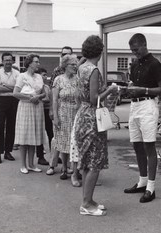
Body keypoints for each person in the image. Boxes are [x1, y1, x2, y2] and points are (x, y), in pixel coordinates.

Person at [74, 35, 118, 216]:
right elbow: (94, 99)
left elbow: (83, 96)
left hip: (82, 116)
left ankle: (88, 199)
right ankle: (86, 204)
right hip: (93, 118)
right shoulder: (93, 70)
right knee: (94, 162)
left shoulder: (80, 68)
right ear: (99, 51)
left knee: (86, 161)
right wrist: (111, 89)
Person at [124, 33, 161, 203]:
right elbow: (134, 85)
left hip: (148, 105)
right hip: (134, 106)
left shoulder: (155, 64)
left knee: (149, 146)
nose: (135, 53)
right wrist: (129, 89)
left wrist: (144, 90)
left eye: (136, 50)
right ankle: (142, 181)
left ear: (144, 45)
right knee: (136, 145)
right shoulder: (134, 64)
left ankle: (151, 187)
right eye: (132, 51)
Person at [13, 54, 46, 174]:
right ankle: (23, 165)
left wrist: (38, 96)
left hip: (37, 107)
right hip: (25, 107)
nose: (38, 64)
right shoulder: (22, 76)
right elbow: (15, 93)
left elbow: (44, 94)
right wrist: (29, 97)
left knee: (34, 136)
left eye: (38, 62)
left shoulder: (39, 77)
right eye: (36, 62)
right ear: (29, 63)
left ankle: (32, 164)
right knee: (25, 136)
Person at [50, 54, 79, 181]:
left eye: (75, 64)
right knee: (62, 141)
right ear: (65, 66)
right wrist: (55, 117)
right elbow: (55, 100)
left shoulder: (77, 79)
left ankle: (74, 170)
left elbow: (80, 98)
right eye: (72, 64)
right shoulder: (58, 79)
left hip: (75, 113)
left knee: (74, 142)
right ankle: (64, 168)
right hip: (62, 113)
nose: (75, 66)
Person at [47, 46, 73, 175]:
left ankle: (67, 167)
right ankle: (52, 165)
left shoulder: (76, 74)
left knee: (69, 140)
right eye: (63, 54)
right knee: (57, 140)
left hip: (72, 112)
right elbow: (54, 95)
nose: (65, 55)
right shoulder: (57, 72)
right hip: (60, 110)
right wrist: (53, 111)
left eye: (68, 54)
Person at [0, 52, 20, 164]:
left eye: (10, 60)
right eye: (6, 60)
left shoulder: (17, 73)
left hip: (13, 101)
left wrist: (5, 86)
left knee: (11, 127)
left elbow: (20, 88)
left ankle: (8, 151)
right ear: (2, 61)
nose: (8, 62)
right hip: (1, 101)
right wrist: (12, 88)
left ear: (12, 61)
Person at [35, 68, 51, 165]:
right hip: (40, 111)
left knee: (51, 133)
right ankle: (40, 156)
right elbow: (41, 99)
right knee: (40, 134)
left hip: (48, 111)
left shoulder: (47, 87)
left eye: (45, 75)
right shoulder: (37, 87)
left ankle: (54, 155)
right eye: (43, 75)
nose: (45, 77)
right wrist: (45, 99)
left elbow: (50, 98)